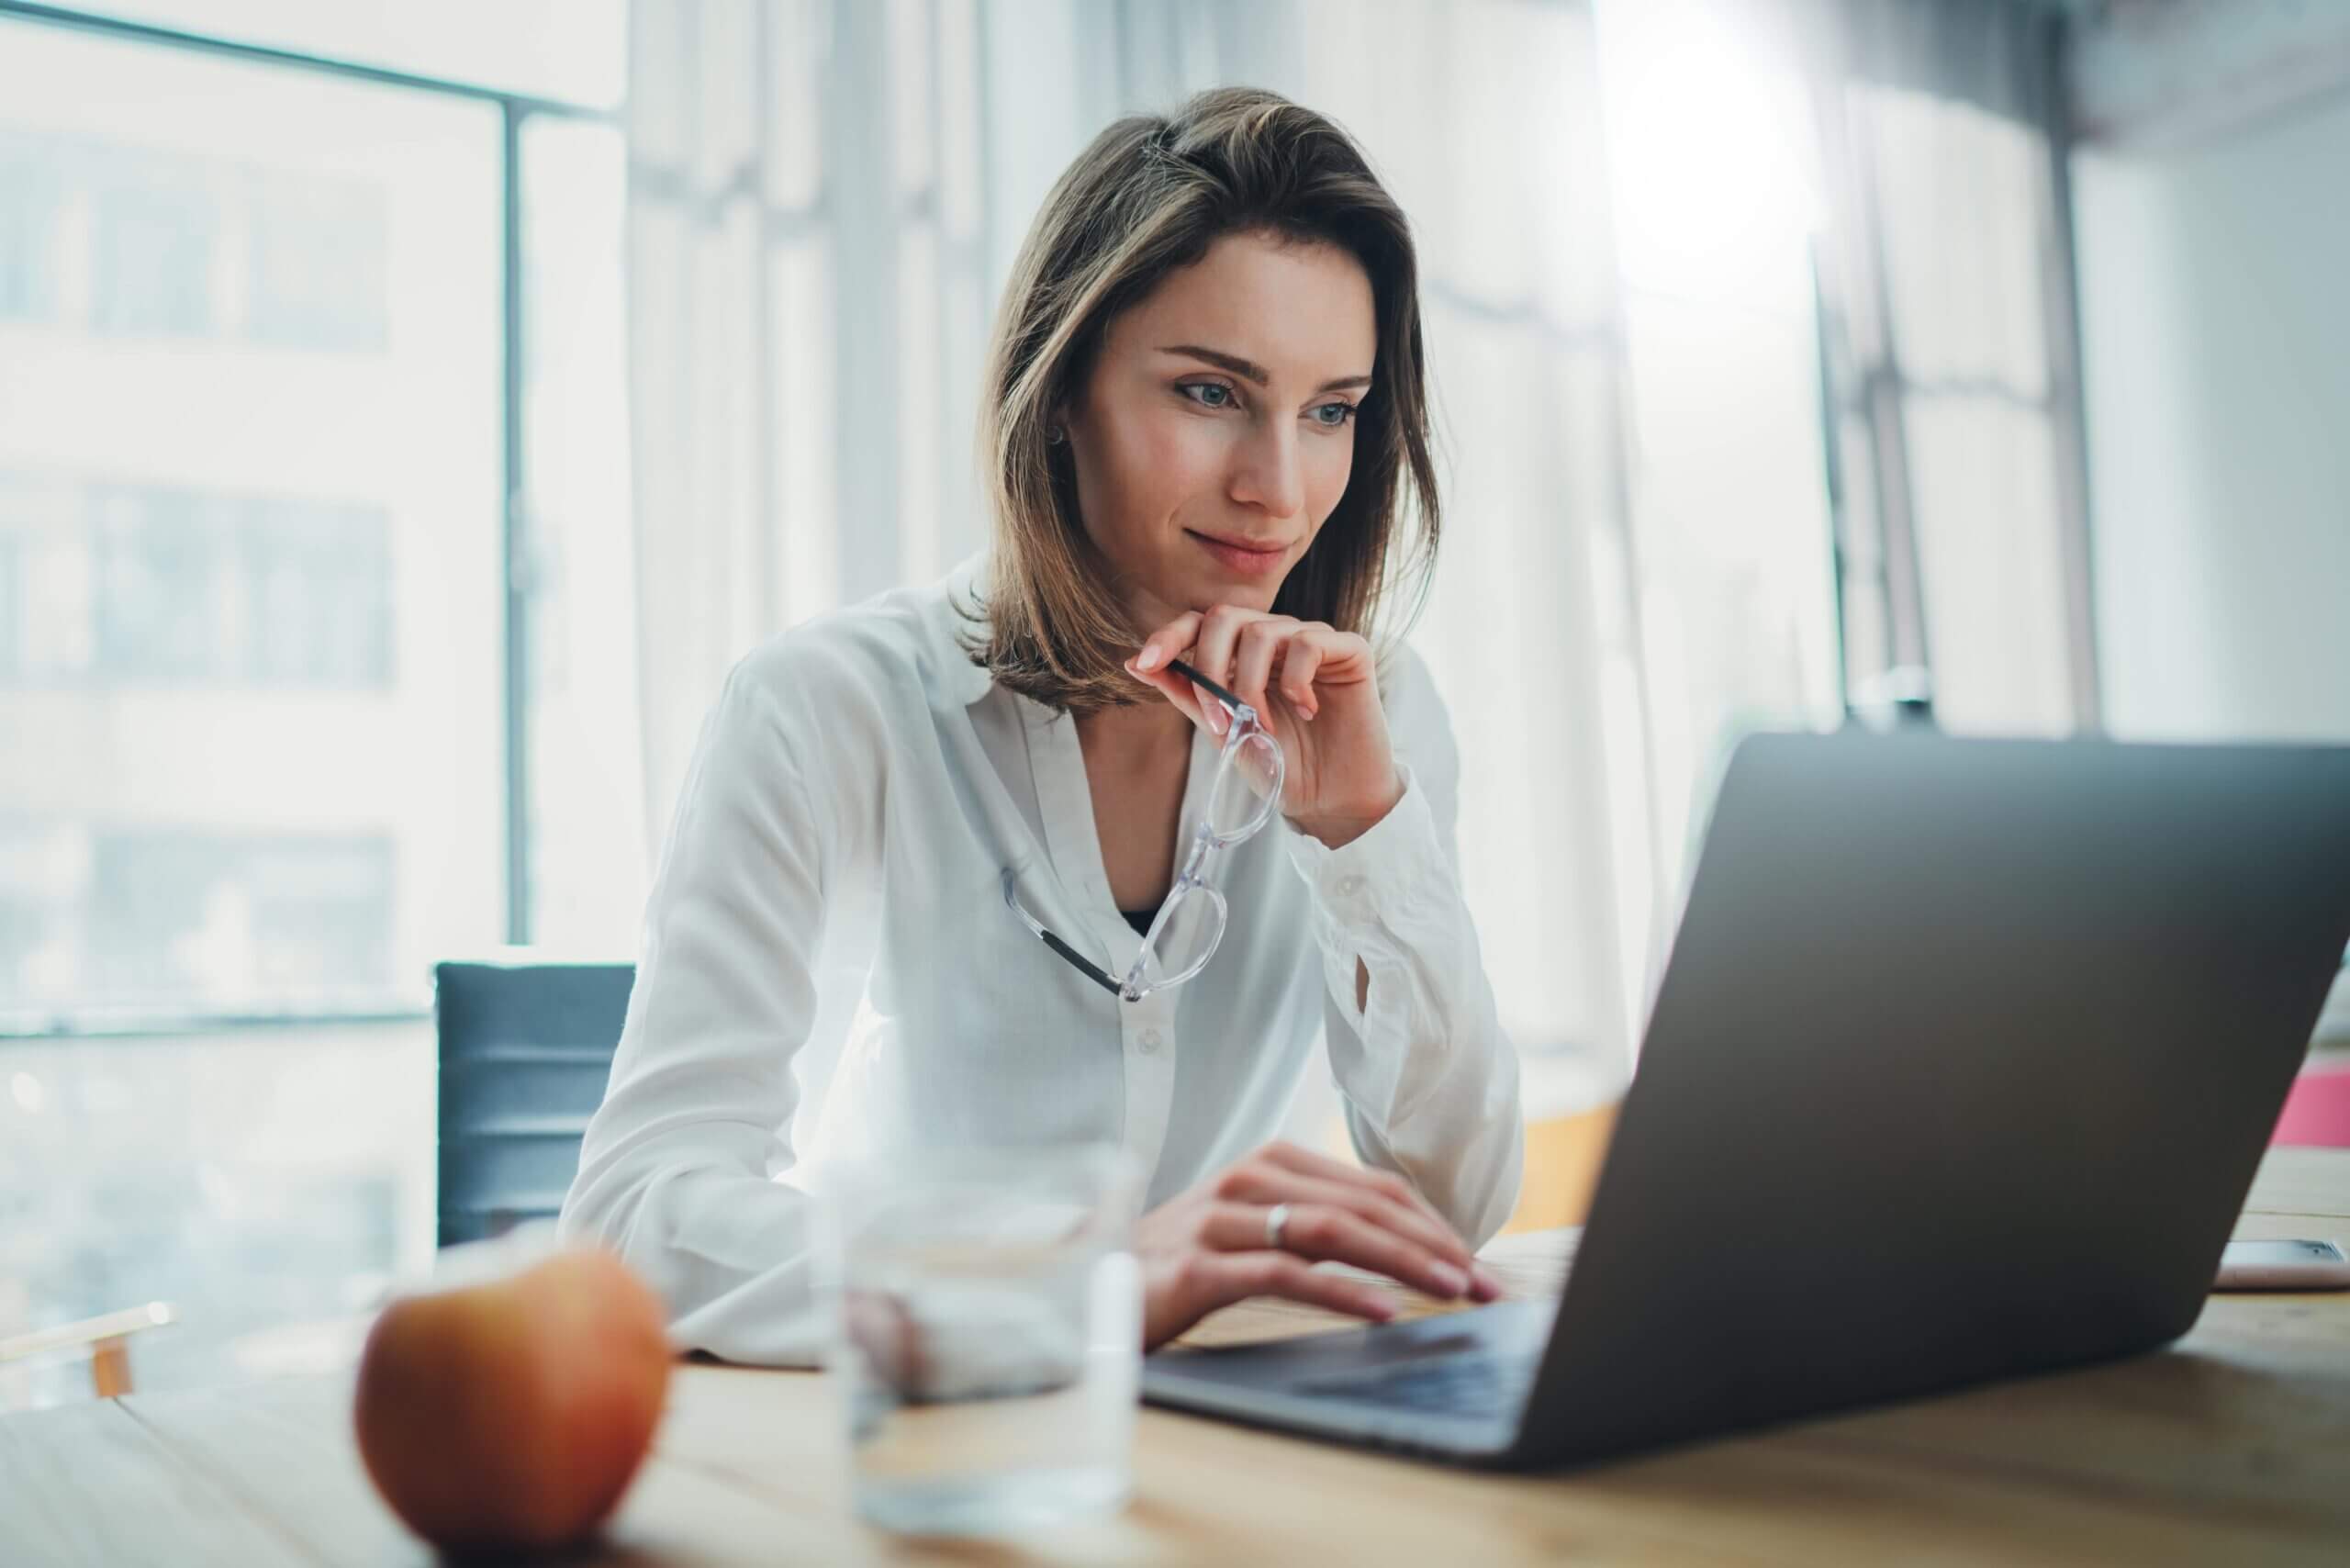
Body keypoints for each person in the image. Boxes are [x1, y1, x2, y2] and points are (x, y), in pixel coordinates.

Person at [561, 86, 1576, 1363]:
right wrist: (1071, 1284)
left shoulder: (1371, 716)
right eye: (1212, 393)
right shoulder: (825, 707)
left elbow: (1448, 1210)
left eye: (1331, 411)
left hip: (1234, 1431)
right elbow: (631, 1219)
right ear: (1059, 389)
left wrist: (1365, 834)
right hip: (920, 1431)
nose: (1277, 487)